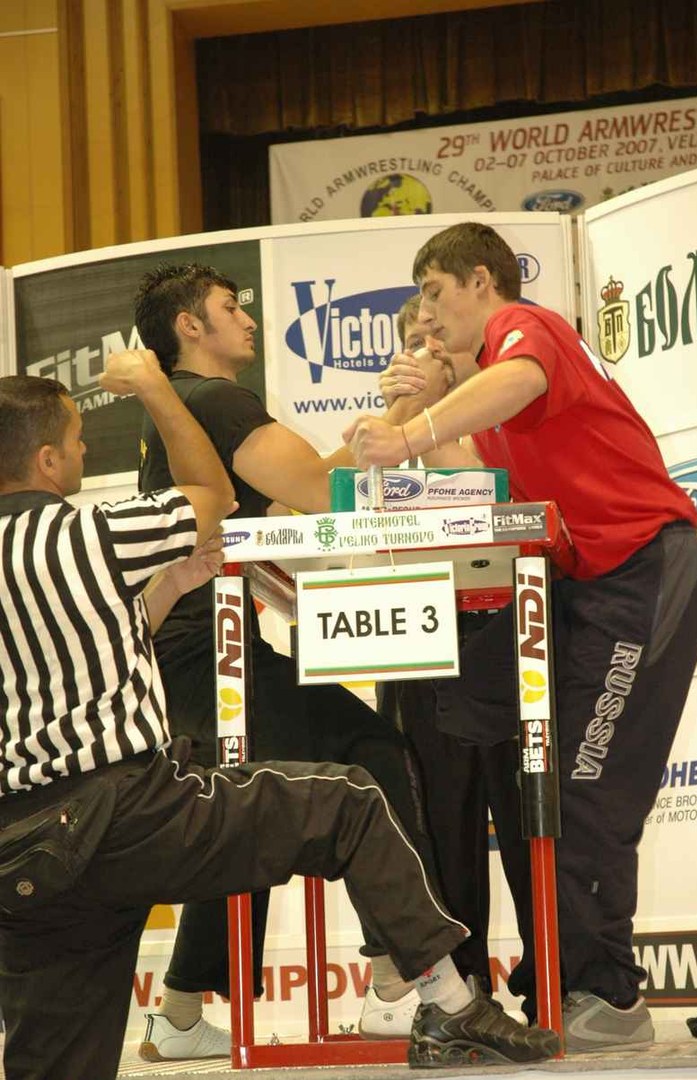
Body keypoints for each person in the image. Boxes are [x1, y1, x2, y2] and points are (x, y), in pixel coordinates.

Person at [0, 363, 560, 1080]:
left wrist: (172, 582)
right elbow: (214, 494)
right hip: (124, 813)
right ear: (46, 461)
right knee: (351, 799)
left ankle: (182, 1009)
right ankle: (450, 1007)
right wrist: (155, 390)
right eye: (77, 443)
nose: (83, 455)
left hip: (25, 855)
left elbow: (88, 642)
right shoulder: (92, 533)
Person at [345, 220, 697, 1053]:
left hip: (642, 575)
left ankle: (609, 996)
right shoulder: (495, 395)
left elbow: (498, 389)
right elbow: (449, 462)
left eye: (435, 296)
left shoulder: (530, 331)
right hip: (594, 589)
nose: (428, 318)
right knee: (554, 791)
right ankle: (580, 986)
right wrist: (414, 400)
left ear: (482, 280)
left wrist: (410, 429)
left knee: (585, 791)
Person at [132, 262, 465, 1058]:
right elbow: (323, 493)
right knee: (368, 752)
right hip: (205, 656)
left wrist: (379, 431)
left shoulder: (183, 413)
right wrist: (401, 413)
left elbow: (287, 509)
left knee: (244, 812)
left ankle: (177, 1014)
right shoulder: (214, 400)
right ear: (189, 328)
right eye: (227, 307)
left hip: (190, 657)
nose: (245, 318)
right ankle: (396, 982)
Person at [369, 294, 534, 1032]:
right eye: (409, 341)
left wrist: (421, 425)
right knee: (438, 822)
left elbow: (485, 494)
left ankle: (556, 974)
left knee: (526, 817)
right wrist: (393, 423)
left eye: (433, 339)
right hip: (412, 639)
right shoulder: (379, 432)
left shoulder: (502, 419)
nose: (420, 352)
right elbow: (342, 510)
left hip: (501, 633)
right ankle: (462, 991)